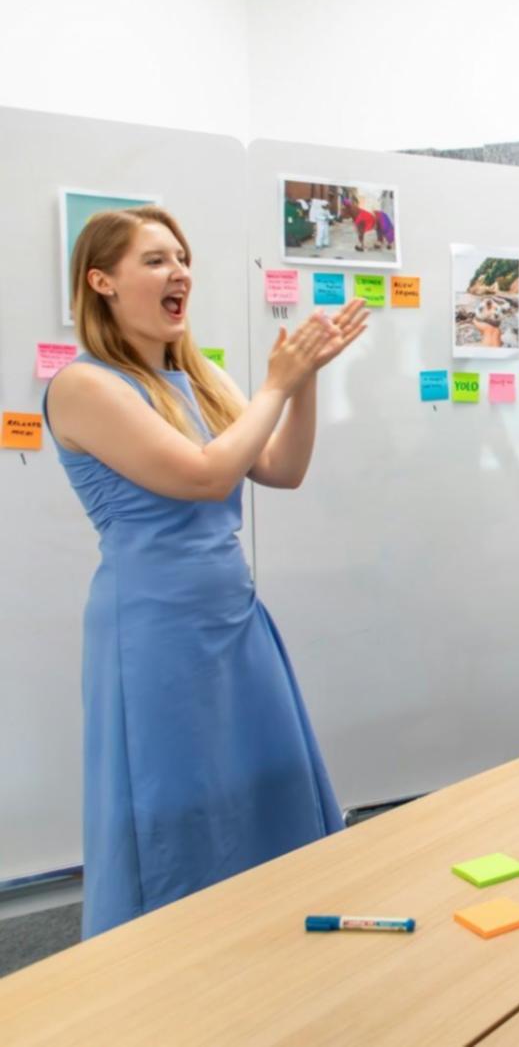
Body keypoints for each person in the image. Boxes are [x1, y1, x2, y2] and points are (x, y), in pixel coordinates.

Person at [43, 206, 371, 936]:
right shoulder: (84, 386)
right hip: (152, 629)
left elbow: (280, 470)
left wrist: (305, 379)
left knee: (263, 791)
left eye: (182, 258)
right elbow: (200, 476)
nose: (179, 272)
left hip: (233, 616)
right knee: (174, 805)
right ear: (102, 281)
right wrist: (275, 388)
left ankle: (260, 950)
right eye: (156, 260)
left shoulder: (201, 377)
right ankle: (168, 967)